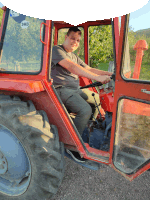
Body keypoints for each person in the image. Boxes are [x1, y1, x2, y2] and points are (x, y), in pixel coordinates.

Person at [51, 27, 112, 137]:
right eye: (73, 38)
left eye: (78, 40)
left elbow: (89, 69)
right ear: (66, 37)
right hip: (60, 89)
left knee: (97, 99)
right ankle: (74, 140)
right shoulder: (57, 50)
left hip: (74, 89)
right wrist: (98, 78)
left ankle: (86, 127)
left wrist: (108, 74)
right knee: (85, 110)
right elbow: (71, 66)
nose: (75, 42)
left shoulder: (73, 56)